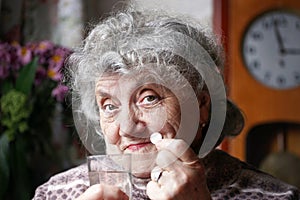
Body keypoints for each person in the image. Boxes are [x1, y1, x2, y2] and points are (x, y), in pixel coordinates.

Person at [33, 5, 300, 200]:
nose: (126, 127)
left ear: (202, 105)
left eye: (149, 98)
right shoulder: (56, 193)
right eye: (109, 106)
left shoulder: (274, 196)